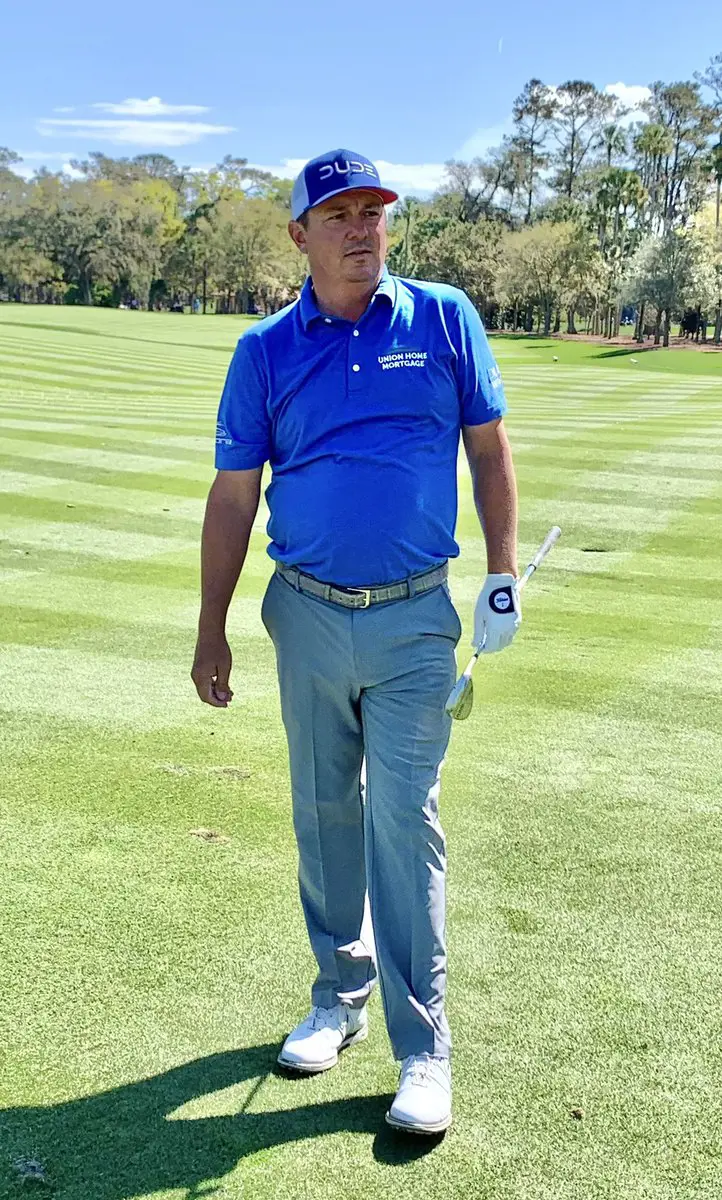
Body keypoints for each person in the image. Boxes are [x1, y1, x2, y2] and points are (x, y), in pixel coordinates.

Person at [191, 149, 520, 1136]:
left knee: (400, 818)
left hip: (417, 618)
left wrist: (500, 576)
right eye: (337, 214)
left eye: (373, 210)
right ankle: (336, 1000)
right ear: (299, 234)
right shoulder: (262, 351)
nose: (360, 227)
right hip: (305, 612)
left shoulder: (443, 318)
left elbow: (488, 449)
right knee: (325, 809)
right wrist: (210, 628)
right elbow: (233, 494)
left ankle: (424, 1049)